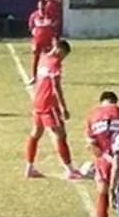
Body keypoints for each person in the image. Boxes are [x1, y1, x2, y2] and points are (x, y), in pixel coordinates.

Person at [24, 39, 82, 180]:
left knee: (35, 133)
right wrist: (63, 107)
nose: (63, 58)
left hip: (38, 101)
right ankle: (70, 170)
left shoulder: (44, 58)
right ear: (59, 50)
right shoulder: (55, 63)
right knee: (61, 135)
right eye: (63, 55)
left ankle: (29, 168)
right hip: (49, 104)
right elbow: (56, 87)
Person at [85, 91, 119, 217]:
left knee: (102, 197)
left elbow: (91, 145)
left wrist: (105, 157)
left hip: (103, 162)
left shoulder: (92, 114)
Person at [27, 0, 57, 86]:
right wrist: (34, 38)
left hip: (47, 41)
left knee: (49, 59)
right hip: (38, 41)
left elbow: (53, 29)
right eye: (40, 6)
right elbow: (31, 27)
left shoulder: (50, 16)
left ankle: (50, 76)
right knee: (36, 59)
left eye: (43, 6)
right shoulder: (34, 16)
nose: (42, 8)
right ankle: (34, 77)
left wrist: (54, 40)